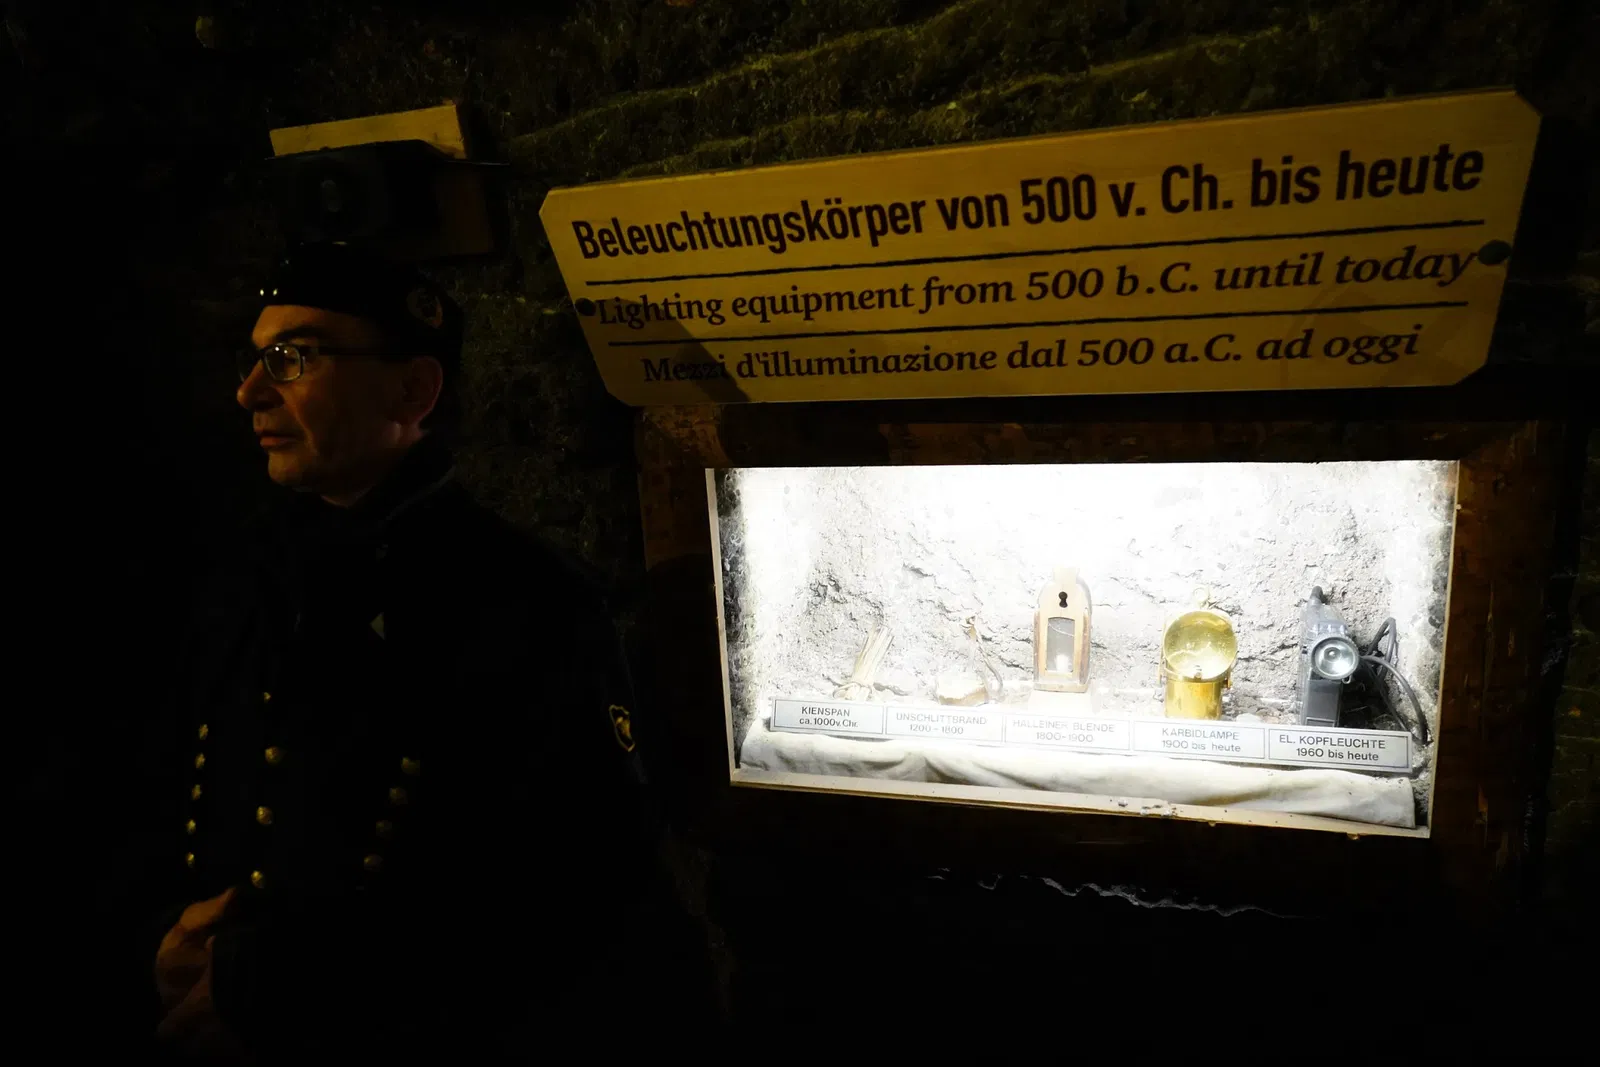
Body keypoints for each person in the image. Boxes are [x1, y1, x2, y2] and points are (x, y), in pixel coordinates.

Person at [139, 243, 709, 1061]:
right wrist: (166, 942)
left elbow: (575, 890)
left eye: (291, 358)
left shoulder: (527, 601)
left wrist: (301, 983)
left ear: (412, 389)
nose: (250, 391)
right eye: (254, 359)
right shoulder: (243, 577)